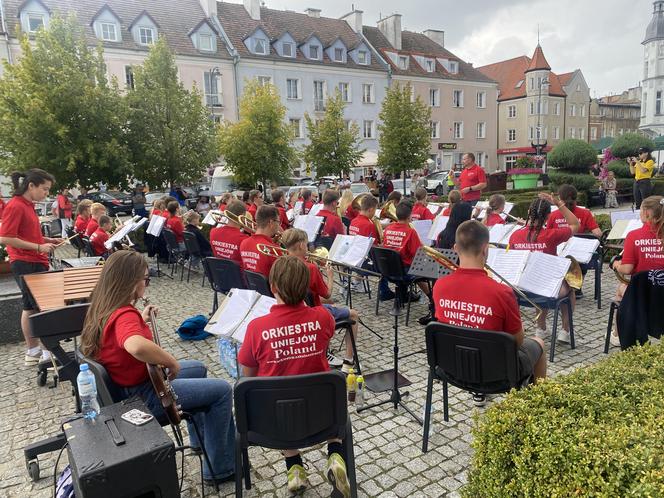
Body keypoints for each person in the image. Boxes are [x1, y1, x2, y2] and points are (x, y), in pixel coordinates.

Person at [79, 251, 235, 485]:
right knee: (222, 391)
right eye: (145, 279)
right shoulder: (124, 315)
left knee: (198, 367)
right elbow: (134, 345)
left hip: (129, 388)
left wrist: (140, 318)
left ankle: (199, 440)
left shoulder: (104, 307)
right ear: (131, 282)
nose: (147, 283)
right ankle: (220, 469)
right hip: (144, 395)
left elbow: (123, 338)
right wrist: (170, 361)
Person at [237, 256, 351, 497]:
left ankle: (294, 467)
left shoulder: (256, 328)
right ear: (307, 287)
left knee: (280, 397)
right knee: (322, 394)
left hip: (274, 423)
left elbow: (249, 379)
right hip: (323, 417)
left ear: (273, 287)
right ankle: (335, 454)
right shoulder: (323, 317)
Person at [433, 220, 547, 405]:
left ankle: (478, 395)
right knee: (539, 342)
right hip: (497, 374)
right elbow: (516, 342)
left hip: (452, 368)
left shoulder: (440, 285)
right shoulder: (501, 292)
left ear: (455, 248)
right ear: (486, 249)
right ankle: (538, 405)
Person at [0, 169, 63, 365]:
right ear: (31, 186)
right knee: (41, 307)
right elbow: (6, 237)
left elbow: (26, 234)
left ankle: (34, 351)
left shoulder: (27, 205)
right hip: (25, 262)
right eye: (44, 189)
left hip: (33, 260)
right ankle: (45, 353)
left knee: (29, 307)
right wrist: (38, 247)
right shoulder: (16, 206)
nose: (47, 193)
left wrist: (47, 240)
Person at [281, 229, 359, 372]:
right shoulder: (310, 267)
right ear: (300, 245)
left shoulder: (280, 264)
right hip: (313, 314)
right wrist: (330, 276)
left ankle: (325, 351)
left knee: (330, 303)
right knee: (353, 314)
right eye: (306, 244)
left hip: (295, 309)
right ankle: (349, 361)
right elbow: (327, 294)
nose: (308, 247)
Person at [509, 193, 579, 342]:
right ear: (548, 216)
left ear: (529, 213)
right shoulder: (551, 234)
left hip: (521, 290)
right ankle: (565, 331)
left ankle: (541, 328)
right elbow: (575, 224)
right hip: (545, 288)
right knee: (570, 288)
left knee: (536, 280)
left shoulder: (515, 235)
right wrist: (559, 204)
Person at [609, 196, 664, 345]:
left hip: (641, 296)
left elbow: (627, 269)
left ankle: (619, 333)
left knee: (621, 289)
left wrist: (616, 264)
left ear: (646, 213)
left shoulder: (634, 236)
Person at [382, 202, 434, 323]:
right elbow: (418, 255)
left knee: (412, 269)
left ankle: (401, 299)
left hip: (388, 271)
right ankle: (433, 299)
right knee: (425, 271)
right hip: (404, 272)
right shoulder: (411, 232)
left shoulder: (388, 228)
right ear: (410, 216)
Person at [349, 194, 393, 300]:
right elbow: (375, 248)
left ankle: (357, 282)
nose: (374, 213)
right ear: (371, 209)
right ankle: (384, 291)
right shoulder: (369, 225)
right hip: (366, 263)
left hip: (355, 259)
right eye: (375, 210)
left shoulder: (353, 221)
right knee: (387, 259)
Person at [239, 205, 281, 277]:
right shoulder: (274, 250)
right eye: (278, 222)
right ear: (271, 223)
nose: (279, 225)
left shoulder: (244, 243)